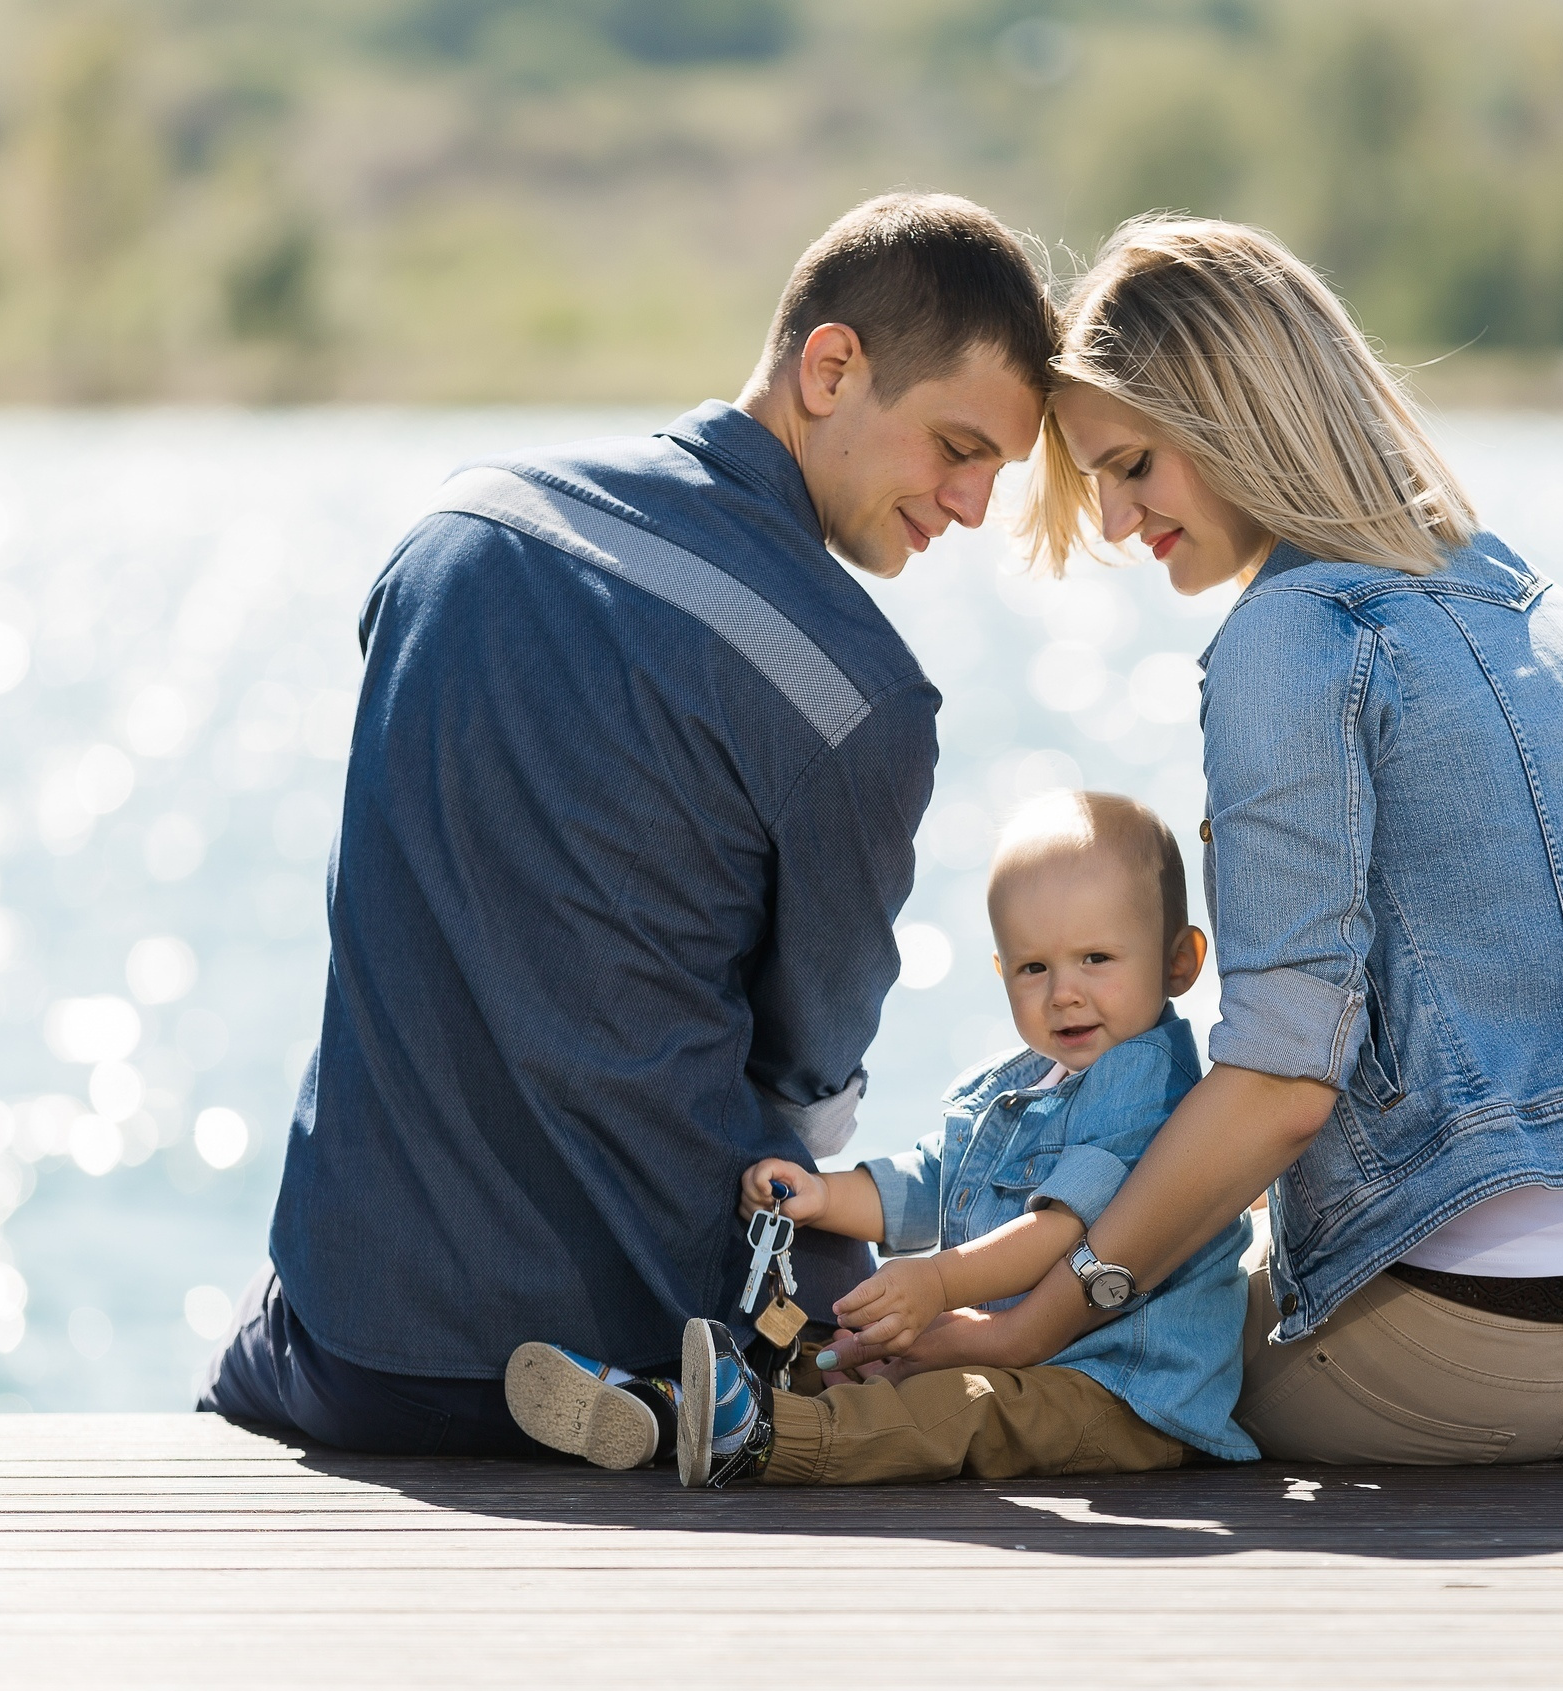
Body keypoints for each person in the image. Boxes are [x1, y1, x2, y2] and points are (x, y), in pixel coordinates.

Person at [835, 218, 1563, 1467]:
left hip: (1464, 1355)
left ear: (1235, 419)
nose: (1116, 521)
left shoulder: (1291, 633)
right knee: (1162, 1238)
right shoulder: (1517, 590)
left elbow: (1279, 1091)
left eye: (1134, 467)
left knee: (1121, 1344)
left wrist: (1027, 1324)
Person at [196, 193, 1056, 1456]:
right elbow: (811, 1074)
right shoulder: (858, 697)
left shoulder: (455, 526)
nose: (974, 504)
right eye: (957, 447)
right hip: (656, 1337)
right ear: (830, 369)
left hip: (348, 1351)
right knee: (903, 1268)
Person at [509, 790, 1257, 1487]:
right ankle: (672, 1409)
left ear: (1179, 961)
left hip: (1126, 1391)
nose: (1062, 990)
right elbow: (937, 1175)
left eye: (1096, 958)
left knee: (963, 1408)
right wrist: (828, 1194)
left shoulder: (1149, 1085)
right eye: (1034, 966)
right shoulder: (1028, 1080)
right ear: (1001, 972)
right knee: (852, 1359)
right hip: (1031, 1353)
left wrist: (935, 1283)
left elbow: (1059, 1231)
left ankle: (773, 1439)